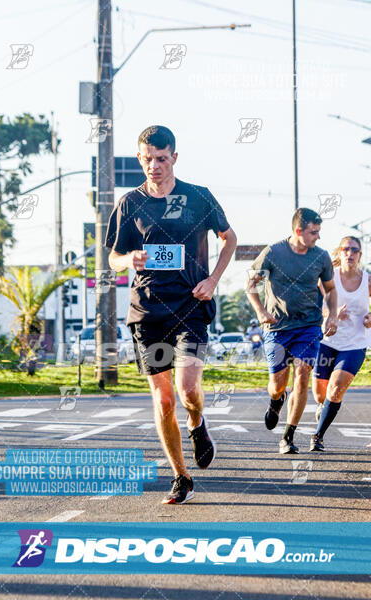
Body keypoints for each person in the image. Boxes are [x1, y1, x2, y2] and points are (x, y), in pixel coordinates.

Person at [105, 125, 237, 503]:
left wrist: (213, 280)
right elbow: (113, 259)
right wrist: (127, 258)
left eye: (161, 159)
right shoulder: (130, 204)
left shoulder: (198, 197)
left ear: (174, 158)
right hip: (147, 312)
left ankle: (197, 422)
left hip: (190, 306)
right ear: (139, 158)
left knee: (188, 388)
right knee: (163, 399)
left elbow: (230, 238)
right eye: (147, 159)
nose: (154, 166)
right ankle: (181, 477)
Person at [246, 208, 338, 454]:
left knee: (302, 372)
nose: (318, 237)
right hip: (277, 327)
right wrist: (260, 311)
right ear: (299, 231)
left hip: (308, 327)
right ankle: (277, 400)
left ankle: (288, 436)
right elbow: (250, 284)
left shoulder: (321, 256)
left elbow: (329, 289)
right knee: (277, 384)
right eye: (313, 232)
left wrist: (333, 315)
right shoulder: (274, 252)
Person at [310, 236, 371, 451]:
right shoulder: (328, 279)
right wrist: (331, 313)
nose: (350, 253)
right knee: (320, 395)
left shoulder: (368, 280)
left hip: (355, 343)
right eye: (346, 249)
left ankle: (318, 436)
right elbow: (315, 306)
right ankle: (323, 406)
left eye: (355, 250)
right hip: (327, 340)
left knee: (335, 390)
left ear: (360, 255)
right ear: (340, 252)